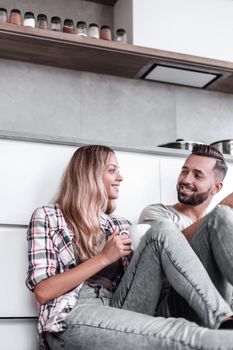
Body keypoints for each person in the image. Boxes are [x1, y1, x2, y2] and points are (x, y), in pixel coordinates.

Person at [26, 144, 233, 350]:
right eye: (112, 170)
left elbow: (144, 282)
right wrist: (104, 258)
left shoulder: (119, 224)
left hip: (120, 306)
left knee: (163, 229)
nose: (120, 177)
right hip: (74, 311)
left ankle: (223, 318)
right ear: (90, 174)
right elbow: (44, 291)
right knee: (181, 334)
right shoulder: (48, 216)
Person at [139, 143, 233, 323]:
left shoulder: (219, 224)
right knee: (221, 215)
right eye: (184, 171)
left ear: (216, 188)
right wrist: (221, 209)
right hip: (174, 305)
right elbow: (165, 250)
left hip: (223, 301)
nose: (186, 180)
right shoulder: (157, 213)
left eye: (197, 175)